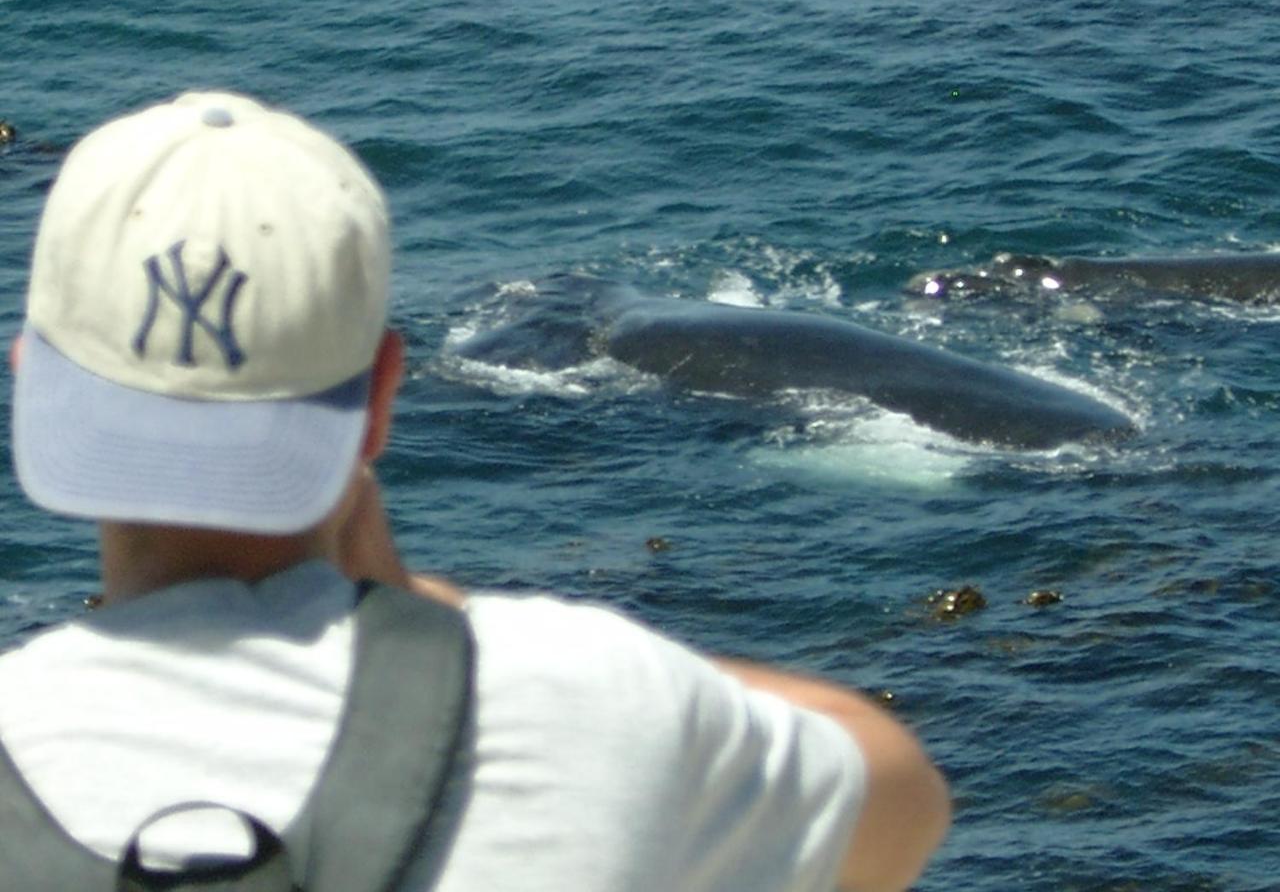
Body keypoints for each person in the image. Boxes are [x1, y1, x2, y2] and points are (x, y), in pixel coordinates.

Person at [0, 91, 949, 891]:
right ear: (381, 396)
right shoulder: (599, 700)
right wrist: (424, 612)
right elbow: (901, 799)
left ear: (27, 379)